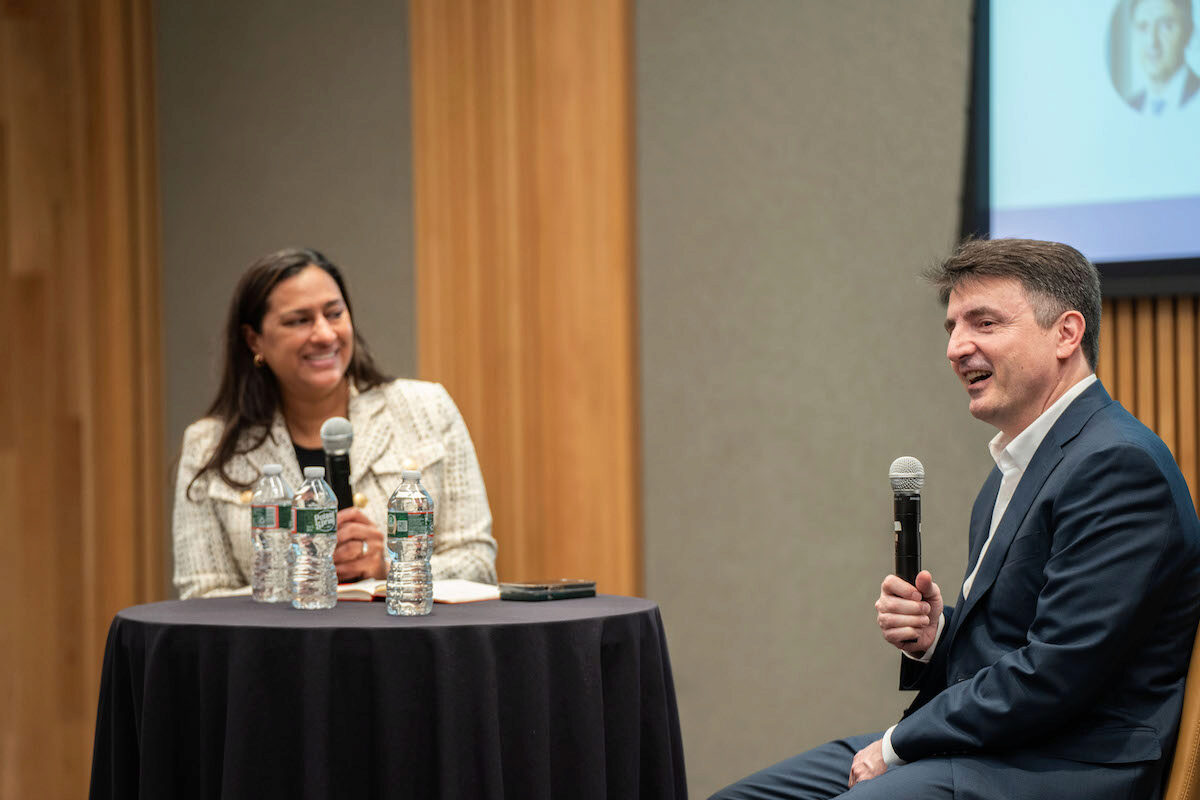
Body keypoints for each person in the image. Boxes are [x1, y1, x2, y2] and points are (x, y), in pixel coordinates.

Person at [711, 238, 1200, 799]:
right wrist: (934, 637)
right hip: (996, 747)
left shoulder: (1116, 465)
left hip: (1071, 764)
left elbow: (1054, 674)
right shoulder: (1019, 461)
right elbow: (1006, 648)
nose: (956, 346)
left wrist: (897, 743)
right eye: (952, 327)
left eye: (984, 323)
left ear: (1066, 333)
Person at [173, 247, 497, 598]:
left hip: (404, 646)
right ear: (255, 339)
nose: (325, 334)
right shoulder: (208, 446)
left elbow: (478, 563)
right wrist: (307, 572)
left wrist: (390, 566)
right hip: (280, 651)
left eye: (334, 313)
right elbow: (202, 595)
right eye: (299, 320)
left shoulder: (426, 410)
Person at [1127, 0, 1200, 113]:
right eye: (1143, 27)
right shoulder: (1130, 107)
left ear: (1188, 33)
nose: (1152, 42)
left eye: (1165, 26)